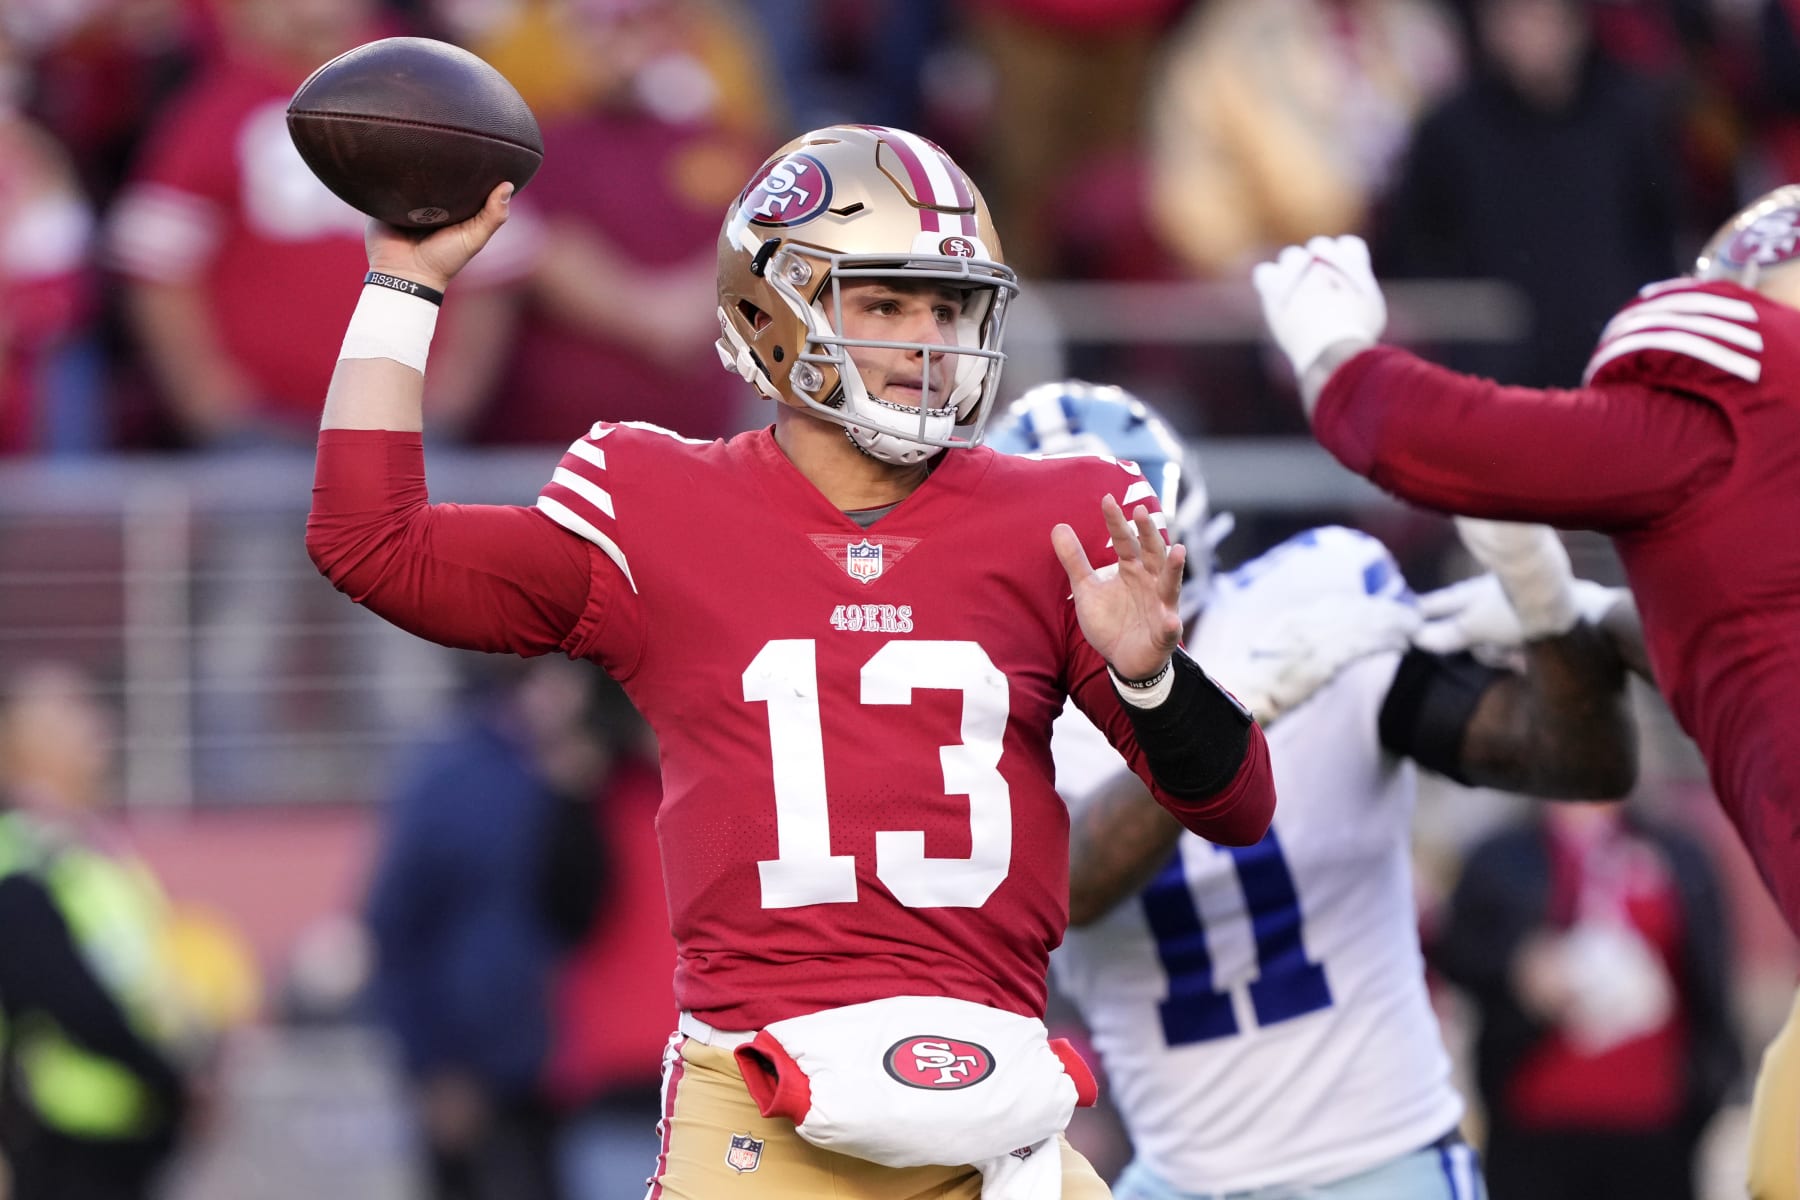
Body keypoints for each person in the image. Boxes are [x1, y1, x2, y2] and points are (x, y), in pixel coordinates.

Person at [305, 124, 1275, 1198]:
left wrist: (1153, 678)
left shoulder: (1057, 515)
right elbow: (373, 545)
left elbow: (1236, 806)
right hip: (764, 1099)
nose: (928, 340)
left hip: (993, 1106)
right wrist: (401, 286)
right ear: (774, 308)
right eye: (888, 304)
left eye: (949, 307)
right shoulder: (656, 502)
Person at [1248, 186, 1800, 1198]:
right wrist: (1582, 617)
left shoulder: (1746, 401)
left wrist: (1334, 358)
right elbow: (1749, 634)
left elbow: (1448, 439)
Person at [988, 380, 1639, 1200]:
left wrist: (1544, 603)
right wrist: (1214, 716)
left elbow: (1582, 765)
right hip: (1179, 1176)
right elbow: (1071, 885)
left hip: (1384, 1161)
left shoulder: (1309, 611)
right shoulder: (1012, 707)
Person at [364, 658, 614, 1200]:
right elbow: (396, 928)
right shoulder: (454, 777)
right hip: (485, 1078)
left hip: (595, 1076)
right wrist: (435, 1067)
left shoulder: (606, 771)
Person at [1433, 799, 1740, 1200]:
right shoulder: (1500, 855)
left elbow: (1710, 973)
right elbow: (1455, 949)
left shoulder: (1676, 852)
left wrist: (1714, 1082)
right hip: (1535, 1122)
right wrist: (1518, 967)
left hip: (1654, 1124)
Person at [0, 663, 194, 1200]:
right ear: (23, 745)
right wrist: (172, 1081)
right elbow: (69, 1001)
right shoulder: (19, 860)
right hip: (55, 1144)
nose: (100, 732)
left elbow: (140, 980)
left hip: (123, 1138)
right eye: (75, 716)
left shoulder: (93, 854)